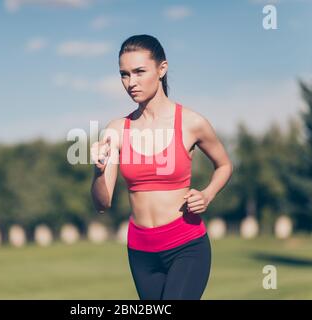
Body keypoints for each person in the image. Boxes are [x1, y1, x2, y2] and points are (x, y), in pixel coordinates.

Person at [90, 34, 233, 300]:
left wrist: (207, 194)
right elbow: (102, 204)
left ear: (161, 69)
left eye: (139, 72)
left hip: (186, 246)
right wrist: (99, 171)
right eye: (124, 74)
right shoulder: (117, 129)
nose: (131, 83)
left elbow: (224, 165)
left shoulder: (191, 122)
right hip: (141, 252)